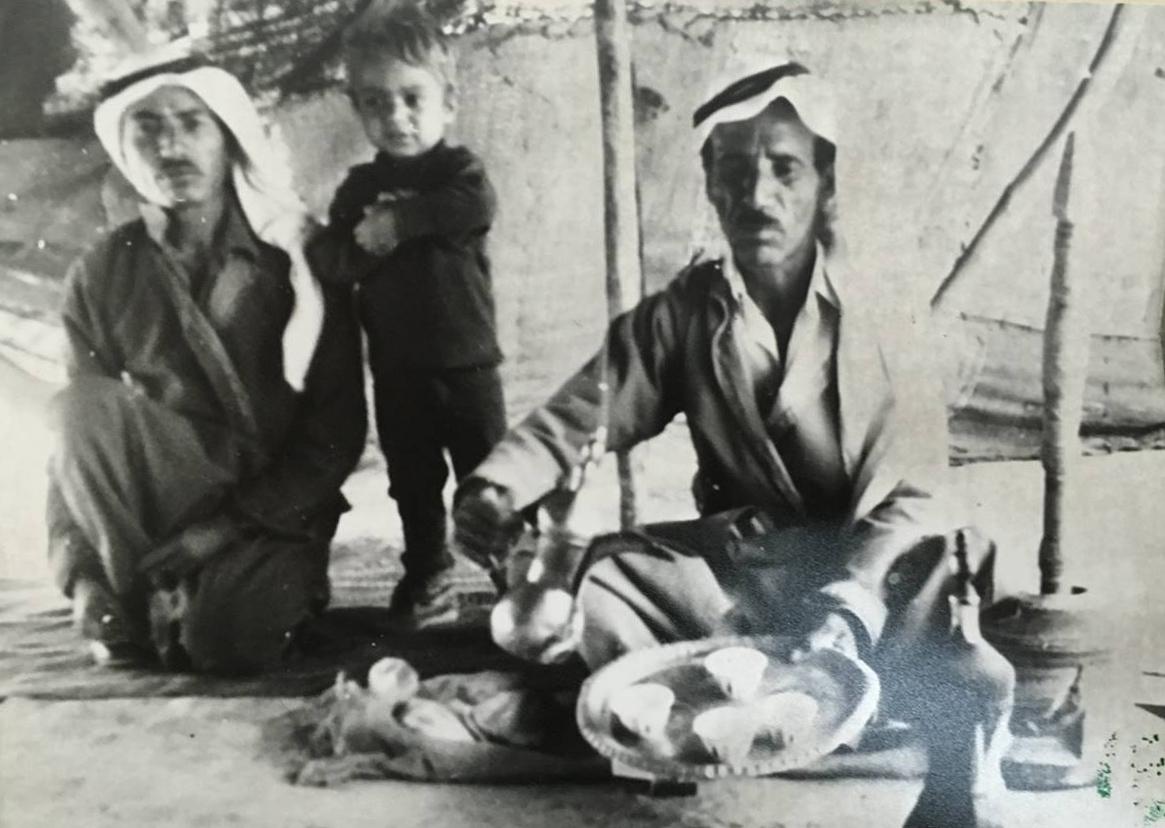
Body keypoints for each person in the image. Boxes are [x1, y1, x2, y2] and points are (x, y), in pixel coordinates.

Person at [452, 62, 995, 689]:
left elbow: (918, 489)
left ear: (826, 181)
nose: (758, 195)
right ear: (710, 185)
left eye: (784, 169)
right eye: (734, 171)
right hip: (746, 576)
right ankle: (743, 689)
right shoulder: (683, 315)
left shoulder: (887, 312)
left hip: (870, 569)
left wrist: (854, 600)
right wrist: (495, 490)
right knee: (603, 576)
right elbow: (579, 418)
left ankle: (784, 681)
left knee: (946, 559)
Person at [47, 53, 367, 674]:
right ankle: (133, 594)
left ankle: (203, 598)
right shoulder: (103, 272)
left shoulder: (296, 260)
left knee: (228, 645)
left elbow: (334, 439)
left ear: (227, 138)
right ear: (124, 147)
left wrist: (223, 530)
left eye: (191, 122)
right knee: (78, 405)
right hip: (154, 510)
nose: (170, 144)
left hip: (267, 513)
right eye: (148, 127)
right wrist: (81, 579)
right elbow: (74, 454)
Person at [316, 6, 505, 630]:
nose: (396, 116)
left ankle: (513, 574)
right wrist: (356, 243)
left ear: (447, 102)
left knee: (489, 478)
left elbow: (474, 205)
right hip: (397, 372)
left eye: (411, 98)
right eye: (376, 102)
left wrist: (396, 223)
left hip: (469, 365)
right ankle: (428, 571)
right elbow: (335, 258)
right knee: (413, 481)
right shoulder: (358, 188)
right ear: (358, 110)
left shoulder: (459, 173)